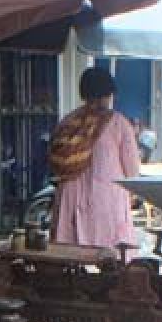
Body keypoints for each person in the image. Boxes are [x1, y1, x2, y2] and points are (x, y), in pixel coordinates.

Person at [47, 67, 141, 249]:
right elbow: (132, 172)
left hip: (69, 201)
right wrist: (133, 196)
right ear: (109, 93)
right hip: (105, 202)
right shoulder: (118, 123)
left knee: (69, 256)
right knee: (108, 260)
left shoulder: (68, 122)